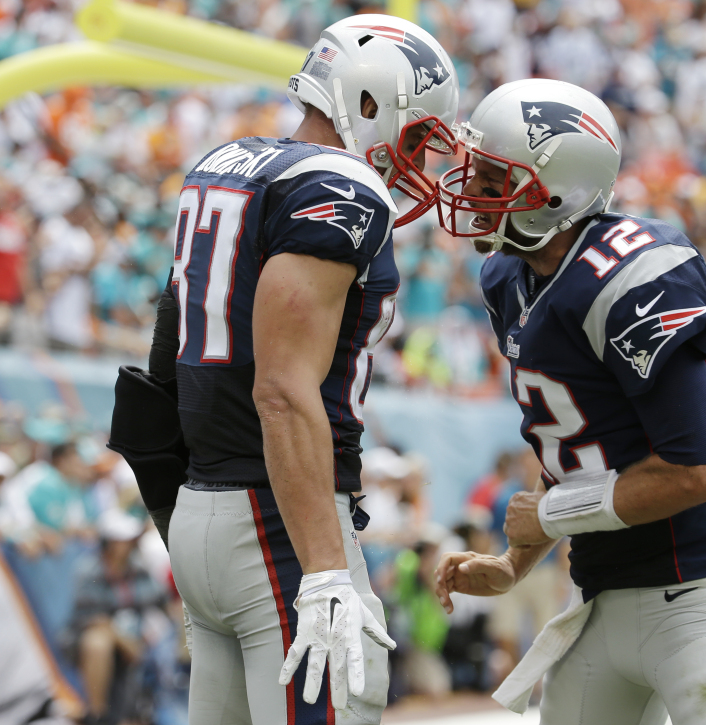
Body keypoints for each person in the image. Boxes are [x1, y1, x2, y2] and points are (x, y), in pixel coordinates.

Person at [434, 79, 706, 725]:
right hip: (598, 589)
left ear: (555, 191)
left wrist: (549, 516)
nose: (472, 192)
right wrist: (515, 562)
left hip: (695, 582)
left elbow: (695, 471)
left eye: (492, 178)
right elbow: (571, 444)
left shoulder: (634, 277)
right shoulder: (508, 277)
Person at [150, 15, 458, 725]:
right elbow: (282, 391)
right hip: (277, 524)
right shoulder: (339, 187)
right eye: (416, 136)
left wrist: (181, 519)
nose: (414, 159)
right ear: (371, 105)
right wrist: (323, 567)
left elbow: (163, 365)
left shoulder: (226, 163)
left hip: (204, 509)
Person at [68, 509, 164, 725]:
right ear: (108, 542)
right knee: (97, 642)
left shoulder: (139, 566)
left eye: (130, 539)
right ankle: (97, 716)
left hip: (137, 632)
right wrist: (125, 642)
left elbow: (160, 600)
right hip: (97, 637)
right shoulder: (88, 569)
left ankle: (147, 712)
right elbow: (91, 617)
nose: (128, 544)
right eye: (122, 539)